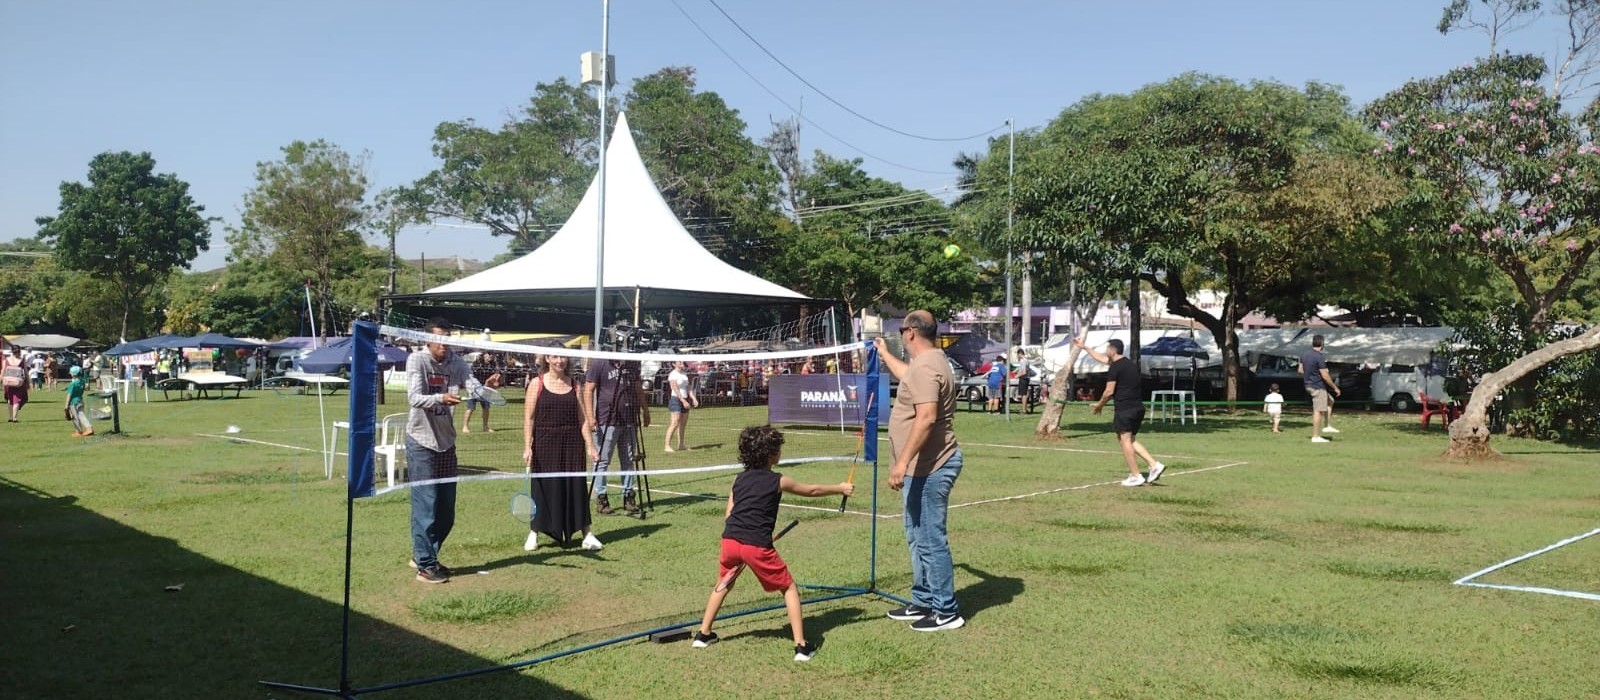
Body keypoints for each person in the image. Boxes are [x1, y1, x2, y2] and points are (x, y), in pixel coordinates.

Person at [691, 425, 854, 661]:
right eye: (778, 448)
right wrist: (840, 489)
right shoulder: (778, 480)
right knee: (788, 587)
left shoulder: (738, 480)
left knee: (723, 583)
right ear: (771, 454)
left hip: (730, 542)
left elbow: (730, 515)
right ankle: (801, 646)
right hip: (755, 546)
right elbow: (812, 490)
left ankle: (703, 634)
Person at [873, 310, 965, 632]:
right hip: (920, 467)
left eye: (901, 330)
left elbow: (926, 418)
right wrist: (884, 354)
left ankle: (946, 611)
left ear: (911, 332)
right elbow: (909, 378)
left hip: (931, 466)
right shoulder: (927, 364)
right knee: (916, 536)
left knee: (929, 537)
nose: (900, 334)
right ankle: (923, 599)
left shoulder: (927, 367)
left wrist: (901, 463)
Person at [405, 318, 481, 584]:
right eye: (440, 339)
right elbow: (414, 398)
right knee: (426, 505)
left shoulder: (456, 362)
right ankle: (425, 566)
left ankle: (423, 553)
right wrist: (440, 398)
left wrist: (483, 389)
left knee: (446, 511)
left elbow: (472, 384)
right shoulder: (417, 360)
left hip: (447, 442)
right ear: (428, 340)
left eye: (448, 339)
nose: (444, 345)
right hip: (421, 441)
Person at [522, 353, 603, 552]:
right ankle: (534, 532)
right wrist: (527, 446)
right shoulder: (536, 383)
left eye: (563, 357)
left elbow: (582, 420)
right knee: (542, 487)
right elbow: (529, 419)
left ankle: (587, 534)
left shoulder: (575, 385)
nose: (560, 361)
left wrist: (590, 446)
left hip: (572, 444)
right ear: (547, 359)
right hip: (544, 443)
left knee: (576, 486)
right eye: (555, 357)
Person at [1074, 337, 1166, 487]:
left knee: (1124, 441)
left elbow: (1108, 391)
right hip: (1137, 408)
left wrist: (1099, 405)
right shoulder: (1128, 364)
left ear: (1112, 350)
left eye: (1107, 348)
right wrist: (1084, 347)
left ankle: (1136, 476)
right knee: (1130, 440)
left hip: (1125, 409)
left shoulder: (1115, 368)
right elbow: (1102, 359)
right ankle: (1154, 465)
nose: (1105, 351)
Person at [586, 356, 649, 515]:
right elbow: (588, 389)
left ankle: (628, 496)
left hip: (630, 419)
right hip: (607, 419)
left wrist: (645, 410)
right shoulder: (600, 362)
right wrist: (590, 416)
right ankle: (601, 497)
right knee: (602, 460)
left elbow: (637, 388)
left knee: (628, 460)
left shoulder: (632, 362)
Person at [1299, 334, 1341, 443]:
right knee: (1318, 411)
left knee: (1330, 400)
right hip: (1317, 386)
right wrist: (1335, 387)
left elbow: (1300, 371)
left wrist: (1310, 373)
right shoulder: (1320, 356)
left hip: (1308, 384)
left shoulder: (1304, 355)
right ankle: (1316, 436)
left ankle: (1327, 425)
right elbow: (1325, 376)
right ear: (1322, 344)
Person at [461, 354, 502, 434]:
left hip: (486, 388)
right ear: (484, 355)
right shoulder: (477, 363)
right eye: (488, 355)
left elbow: (495, 376)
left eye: (491, 355)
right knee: (470, 408)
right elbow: (473, 376)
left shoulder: (493, 364)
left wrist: (495, 381)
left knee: (486, 408)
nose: (490, 356)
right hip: (474, 387)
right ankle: (465, 426)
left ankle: (485, 427)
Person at [664, 360, 698, 452]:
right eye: (679, 362)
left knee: (683, 424)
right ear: (674, 364)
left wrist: (693, 398)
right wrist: (682, 400)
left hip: (685, 399)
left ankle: (681, 444)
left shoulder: (684, 374)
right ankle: (667, 446)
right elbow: (675, 388)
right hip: (676, 399)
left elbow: (688, 388)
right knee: (674, 423)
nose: (681, 363)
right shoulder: (673, 374)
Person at [65, 366, 93, 437]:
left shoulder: (73, 384)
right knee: (81, 415)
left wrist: (66, 405)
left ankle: (78, 431)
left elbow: (69, 395)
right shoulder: (82, 382)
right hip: (80, 400)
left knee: (75, 417)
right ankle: (89, 428)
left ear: (73, 374)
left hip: (73, 402)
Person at [4, 346, 28, 423]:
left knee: (10, 399)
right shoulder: (22, 360)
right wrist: (28, 381)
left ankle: (10, 417)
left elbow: (3, 371)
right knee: (16, 400)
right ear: (19, 351)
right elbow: (26, 372)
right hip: (19, 383)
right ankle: (15, 417)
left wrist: (2, 380)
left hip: (8, 383)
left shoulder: (6, 360)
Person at [1015, 349, 1032, 414]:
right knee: (1023, 394)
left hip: (1023, 379)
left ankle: (1024, 410)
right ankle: (1024, 409)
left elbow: (1024, 372)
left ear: (1019, 354)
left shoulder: (1023, 361)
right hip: (1026, 379)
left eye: (1017, 355)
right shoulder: (1026, 360)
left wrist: (1017, 376)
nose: (1017, 356)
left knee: (1023, 394)